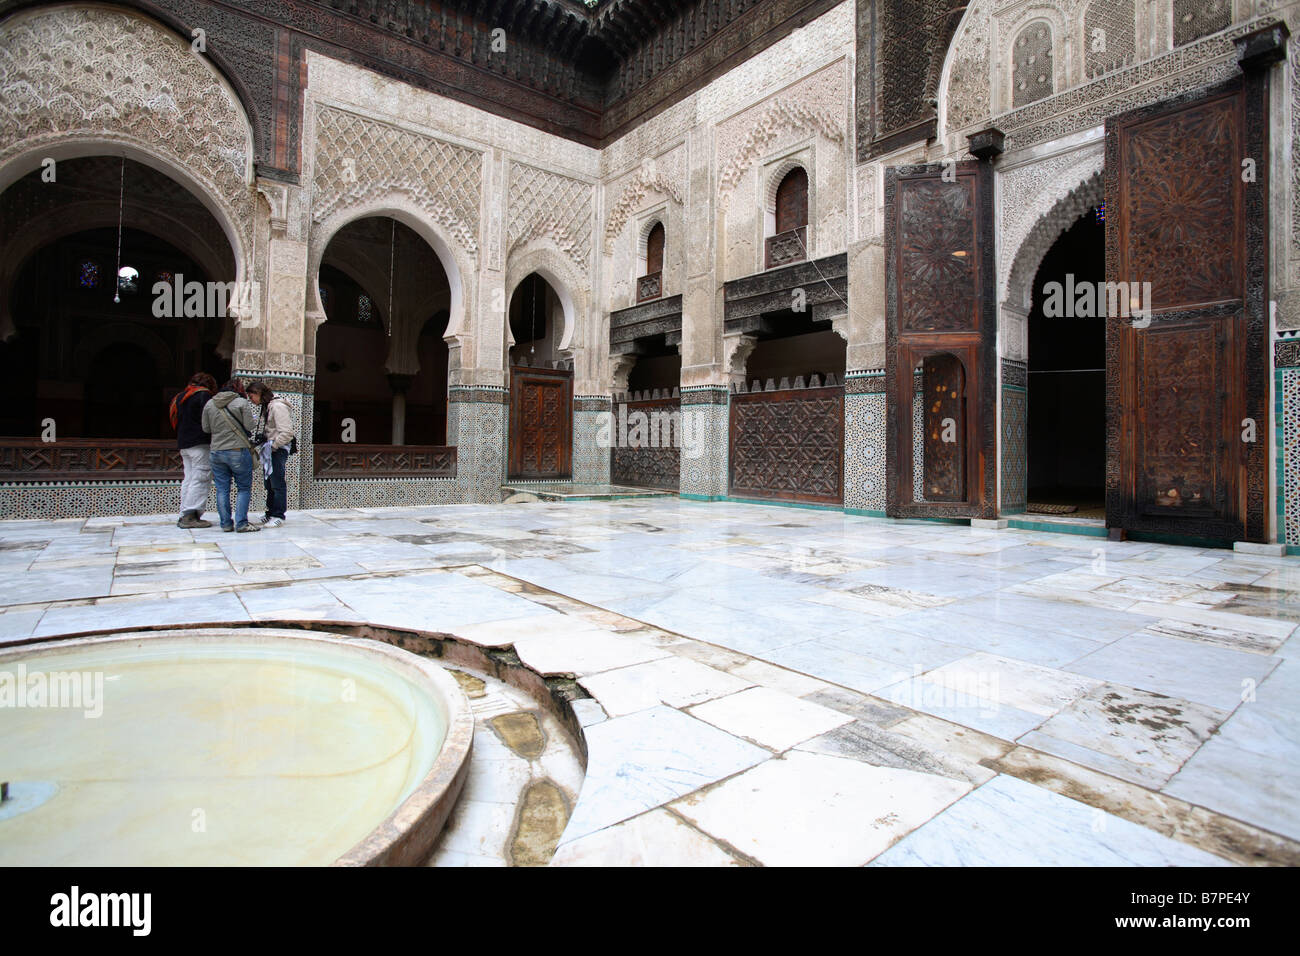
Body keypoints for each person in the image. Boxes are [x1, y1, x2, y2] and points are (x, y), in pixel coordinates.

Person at [200, 378, 261, 533]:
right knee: (243, 488)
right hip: (237, 451)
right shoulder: (241, 403)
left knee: (222, 489)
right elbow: (250, 426)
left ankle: (226, 524)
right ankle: (241, 523)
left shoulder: (209, 404)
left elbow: (206, 428)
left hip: (216, 451)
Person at [245, 380, 295, 528]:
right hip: (270, 449)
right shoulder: (268, 406)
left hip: (277, 449)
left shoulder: (278, 406)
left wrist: (273, 445)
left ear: (258, 393)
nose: (251, 400)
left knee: (277, 482)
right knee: (269, 483)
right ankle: (270, 512)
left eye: (251, 396)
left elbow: (287, 433)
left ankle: (279, 515)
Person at [173, 372, 217, 529]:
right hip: (199, 443)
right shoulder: (203, 396)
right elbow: (208, 420)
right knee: (201, 477)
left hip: (184, 443)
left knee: (189, 478)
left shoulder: (181, 396)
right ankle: (191, 515)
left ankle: (184, 513)